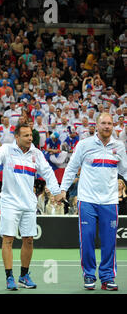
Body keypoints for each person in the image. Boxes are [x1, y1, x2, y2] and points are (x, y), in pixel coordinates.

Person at [0, 122, 61, 290]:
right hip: (10, 202)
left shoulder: (36, 153)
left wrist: (56, 191)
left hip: (29, 203)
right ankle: (9, 277)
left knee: (29, 240)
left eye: (31, 136)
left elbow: (48, 172)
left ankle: (24, 276)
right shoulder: (7, 149)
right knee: (8, 239)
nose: (30, 138)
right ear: (17, 137)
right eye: (26, 135)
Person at [58, 113, 127, 291]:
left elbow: (125, 171)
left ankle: (107, 277)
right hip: (87, 200)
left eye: (109, 123)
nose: (106, 126)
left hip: (110, 201)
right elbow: (72, 167)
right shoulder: (84, 145)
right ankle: (89, 274)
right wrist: (63, 189)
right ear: (96, 125)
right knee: (87, 238)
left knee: (109, 241)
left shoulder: (119, 146)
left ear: (113, 126)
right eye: (103, 123)